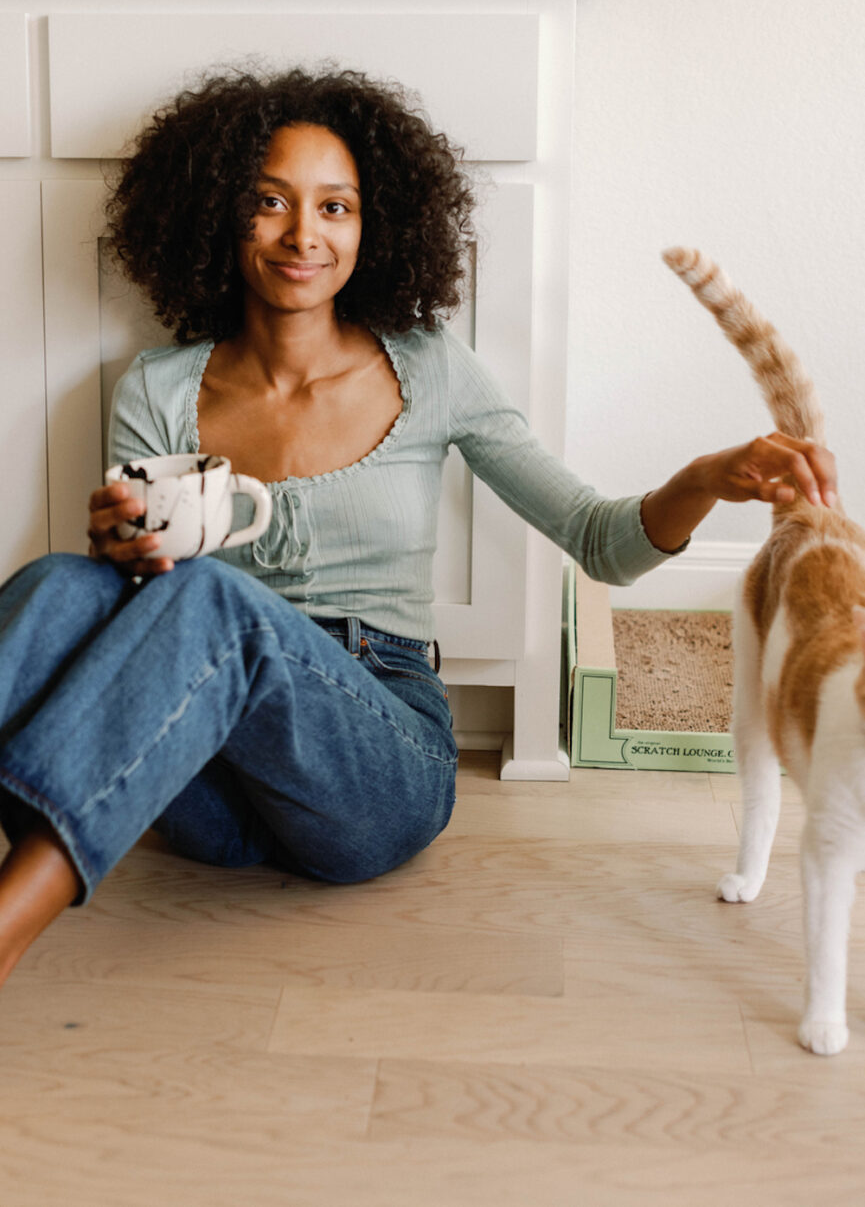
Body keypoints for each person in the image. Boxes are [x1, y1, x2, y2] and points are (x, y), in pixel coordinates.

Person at [0, 66, 836, 988]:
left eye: (336, 207)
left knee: (213, 597)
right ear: (216, 213)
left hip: (375, 764)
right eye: (269, 201)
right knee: (60, 584)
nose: (302, 234)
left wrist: (708, 478)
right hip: (203, 796)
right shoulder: (156, 386)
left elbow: (600, 541)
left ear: (374, 226)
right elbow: (132, 619)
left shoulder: (431, 370)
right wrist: (118, 554)